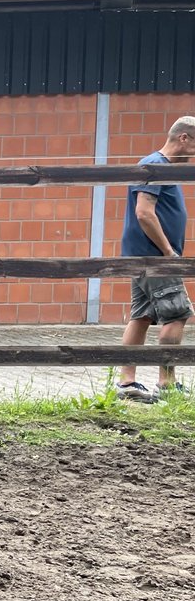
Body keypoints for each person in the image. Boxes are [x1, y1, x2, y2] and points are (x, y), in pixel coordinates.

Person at [115, 115, 195, 402]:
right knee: (178, 314)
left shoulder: (161, 166)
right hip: (154, 257)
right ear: (183, 138)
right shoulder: (155, 166)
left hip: (143, 255)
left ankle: (127, 383)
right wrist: (167, 252)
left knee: (142, 316)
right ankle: (167, 383)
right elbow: (144, 212)